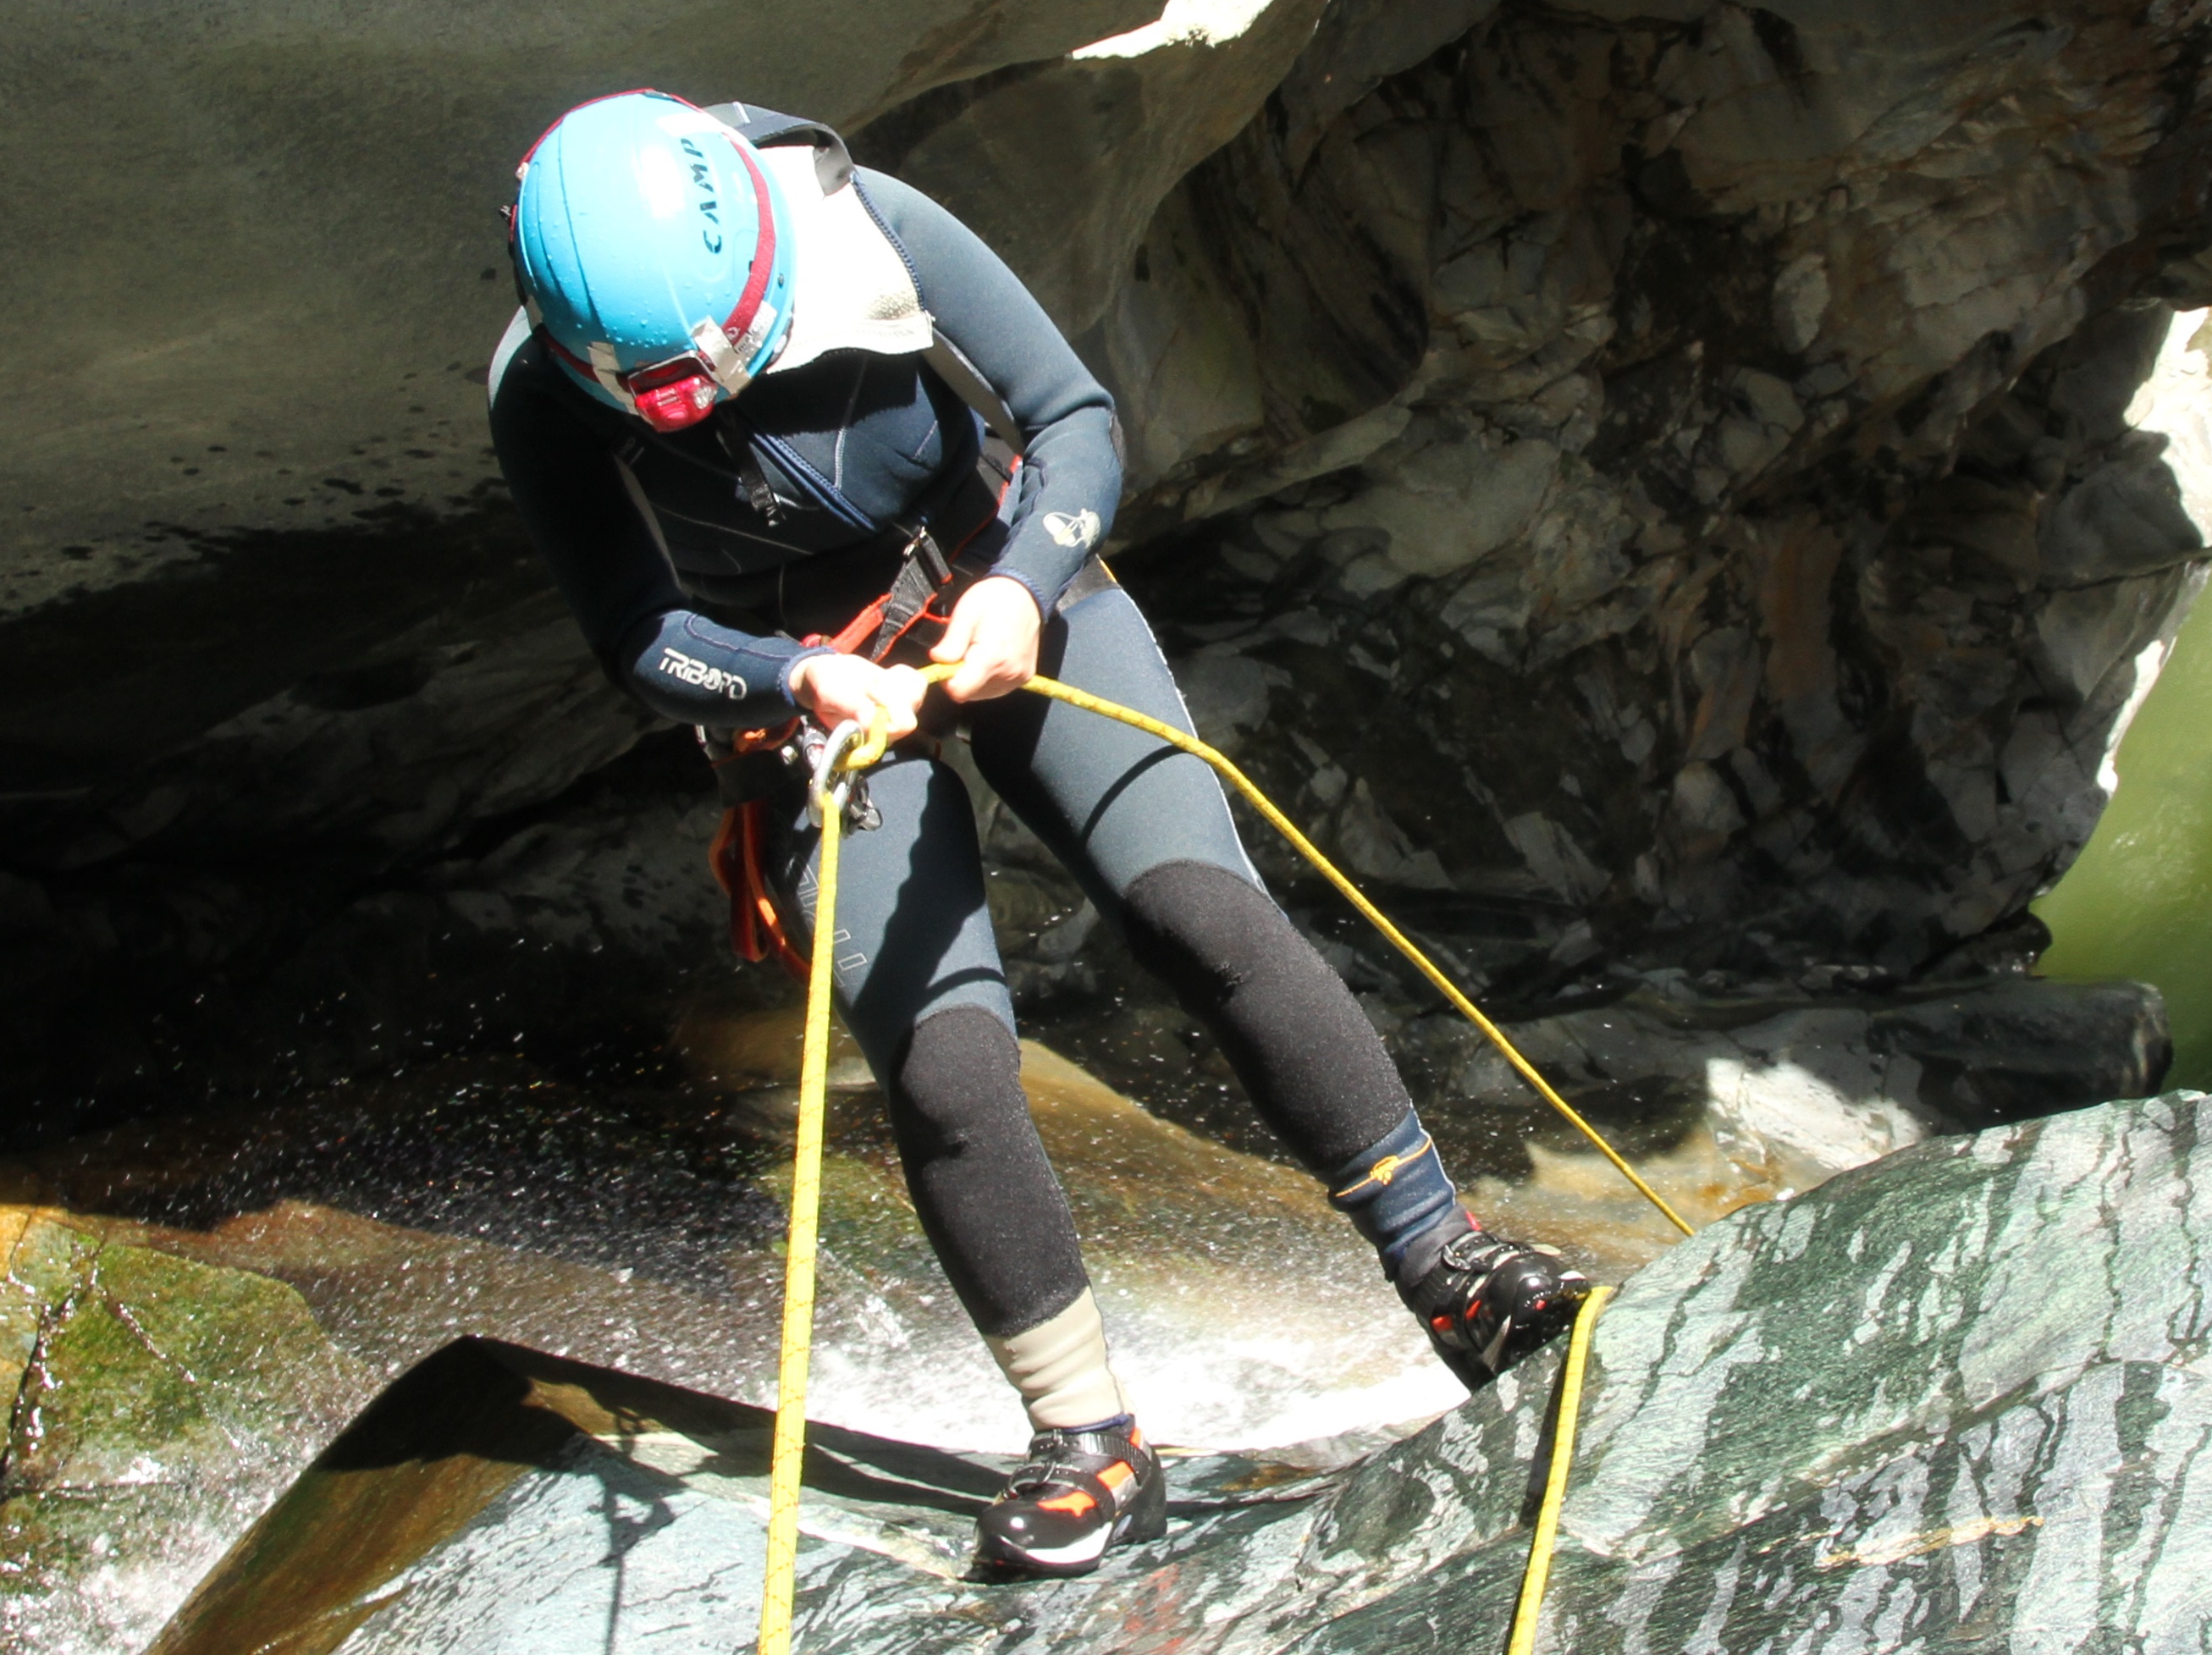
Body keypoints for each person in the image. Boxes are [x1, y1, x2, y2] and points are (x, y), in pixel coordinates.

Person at [484, 91, 1595, 1578]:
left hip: (1001, 583)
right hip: (812, 698)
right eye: (650, 386)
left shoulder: (851, 217)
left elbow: (1071, 420)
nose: (685, 402)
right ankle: (1088, 1442)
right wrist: (790, 676)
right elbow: (638, 633)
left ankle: (1453, 1272)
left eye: (706, 365)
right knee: (944, 1062)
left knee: (1198, 911)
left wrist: (1017, 586)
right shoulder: (542, 389)